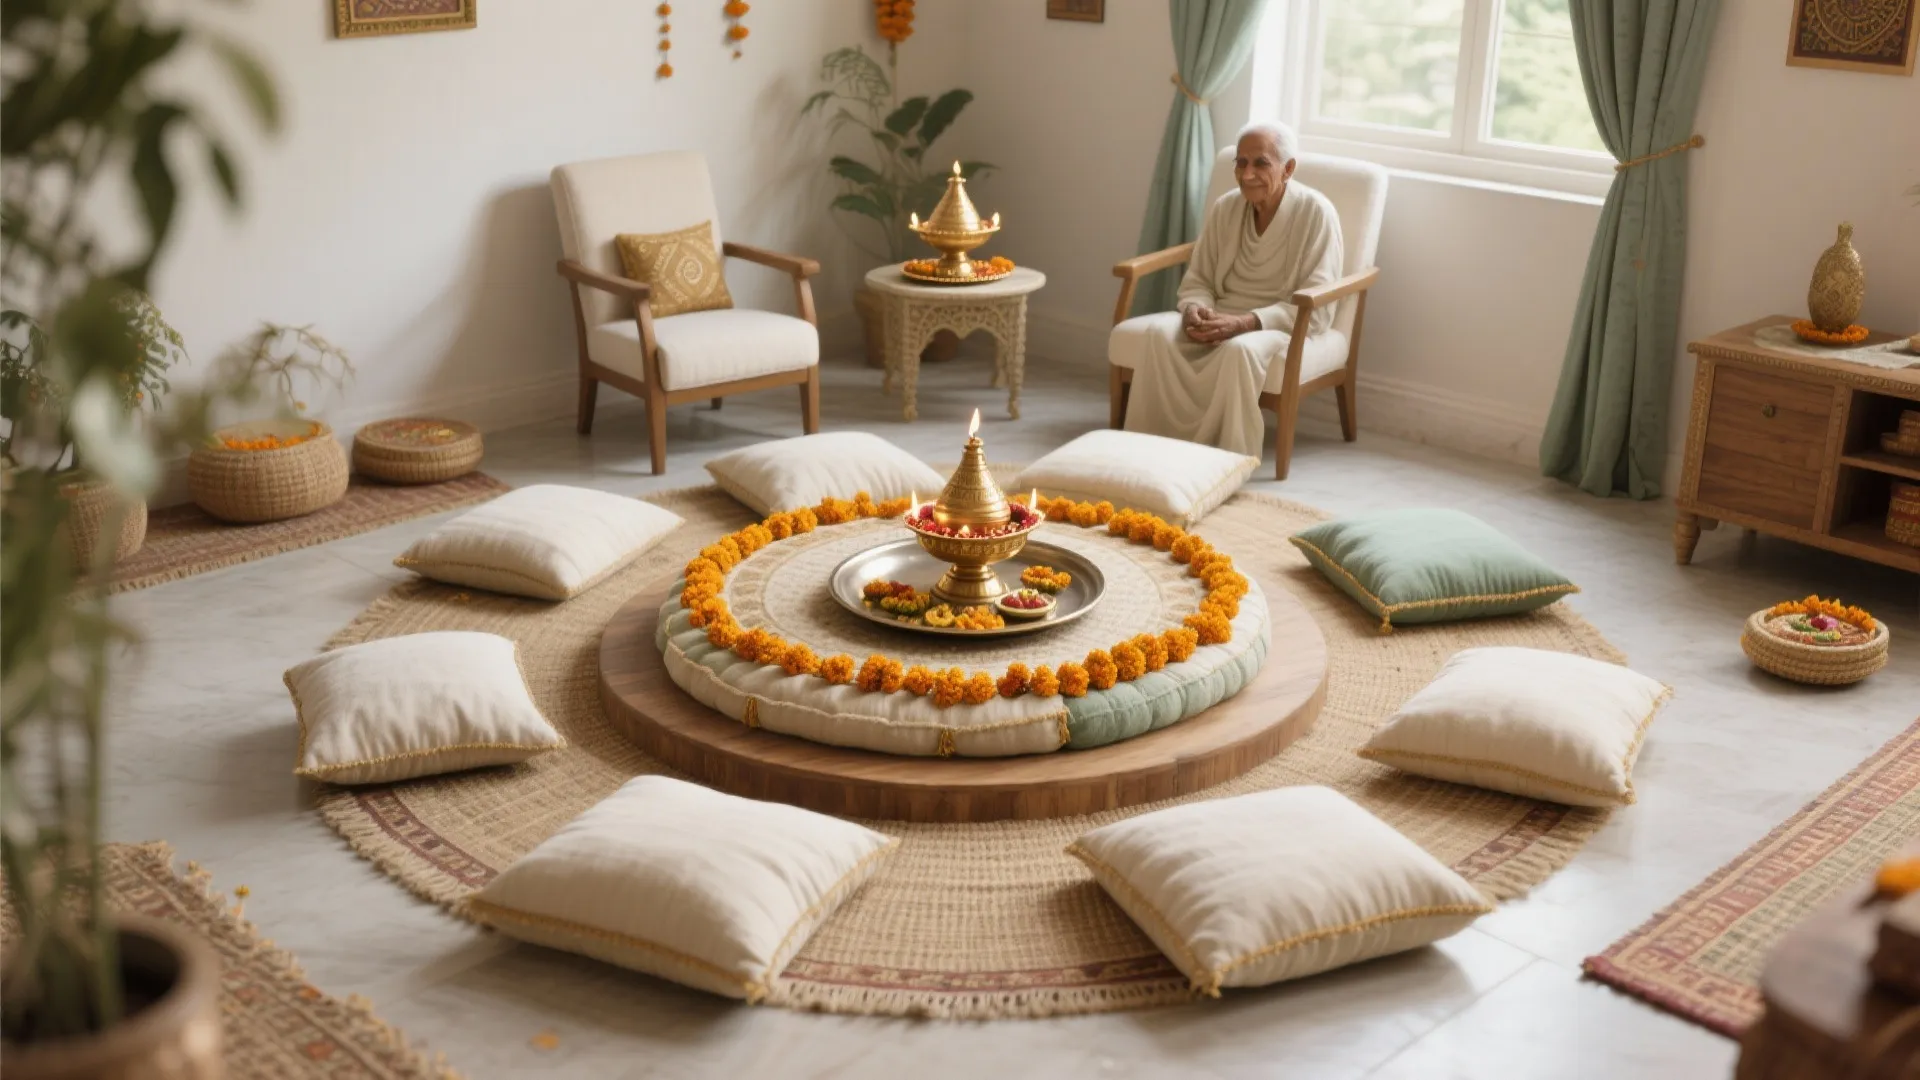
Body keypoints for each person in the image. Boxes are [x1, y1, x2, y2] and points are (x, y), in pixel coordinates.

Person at [1114, 120, 1343, 459]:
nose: (1247, 173)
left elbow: (1318, 307)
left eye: (1261, 163)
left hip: (1277, 323)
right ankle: (1153, 450)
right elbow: (1199, 279)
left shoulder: (1316, 213)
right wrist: (1195, 308)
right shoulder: (1226, 207)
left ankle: (1224, 458)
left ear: (1288, 168)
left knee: (1240, 352)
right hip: (1220, 312)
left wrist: (1245, 323)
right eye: (1241, 162)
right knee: (1158, 335)